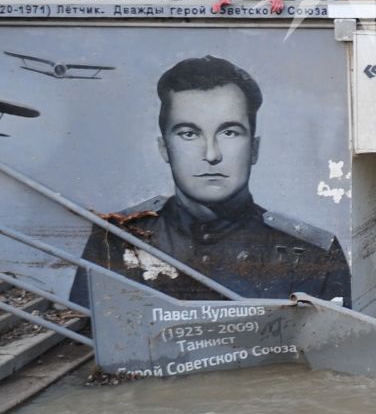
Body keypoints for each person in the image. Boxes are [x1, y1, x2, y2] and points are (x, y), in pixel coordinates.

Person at [70, 56, 351, 305]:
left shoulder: (310, 251)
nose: (212, 154)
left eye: (229, 133)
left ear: (253, 148)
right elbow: (88, 341)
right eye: (188, 134)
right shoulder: (119, 238)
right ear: (164, 148)